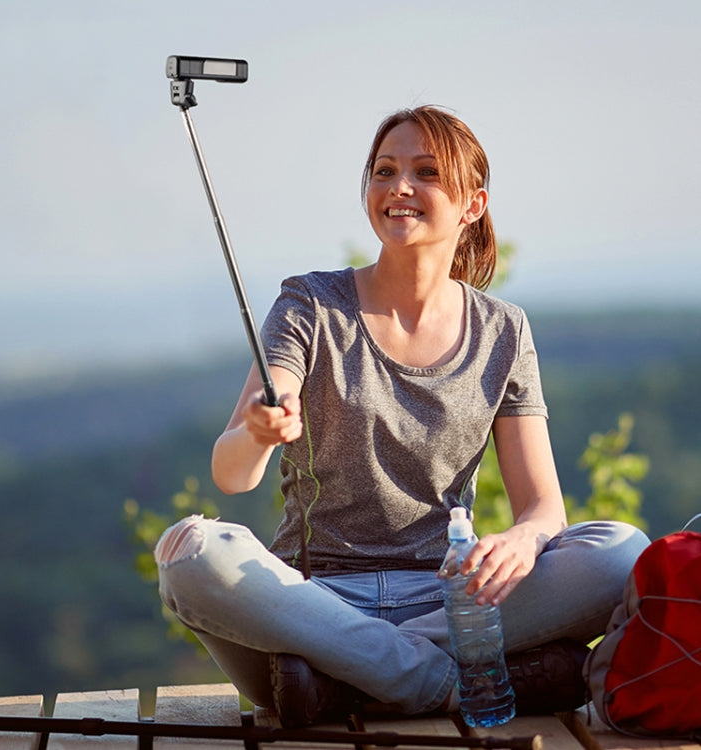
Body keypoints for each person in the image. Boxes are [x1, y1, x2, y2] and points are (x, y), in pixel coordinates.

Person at [154, 105, 650, 728]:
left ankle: (356, 680)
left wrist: (522, 541)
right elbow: (232, 475)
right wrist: (257, 431)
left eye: (425, 172)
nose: (399, 188)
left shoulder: (503, 330)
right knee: (191, 552)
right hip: (312, 601)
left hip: (447, 600)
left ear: (472, 204)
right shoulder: (310, 304)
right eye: (384, 171)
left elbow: (544, 509)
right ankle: (440, 684)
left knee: (621, 551)